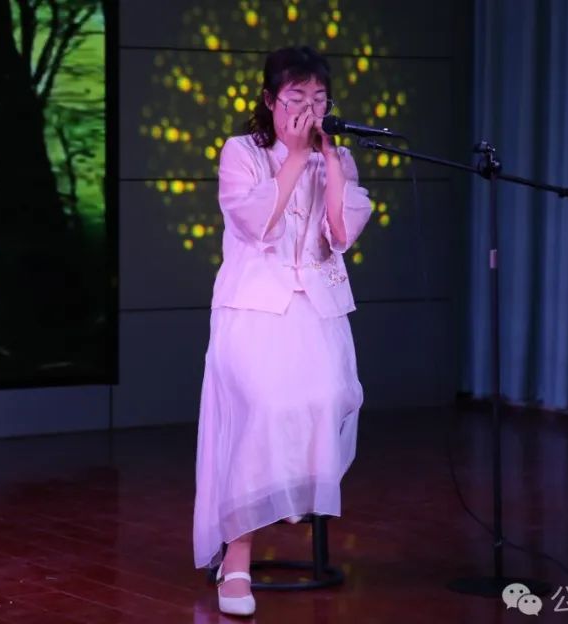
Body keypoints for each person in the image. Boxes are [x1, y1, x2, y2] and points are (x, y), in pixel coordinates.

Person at [192, 45, 373, 617]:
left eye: (319, 99)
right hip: (253, 310)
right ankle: (237, 558)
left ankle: (287, 492)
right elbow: (258, 225)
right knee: (264, 411)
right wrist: (294, 157)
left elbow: (340, 234)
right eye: (296, 98)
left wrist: (331, 162)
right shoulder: (241, 153)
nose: (308, 109)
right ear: (270, 100)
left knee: (333, 397)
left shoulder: (337, 157)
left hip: (316, 310)